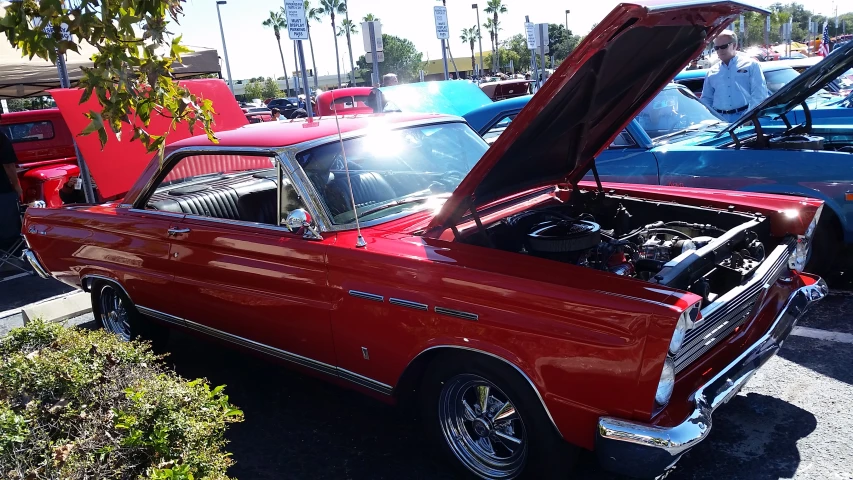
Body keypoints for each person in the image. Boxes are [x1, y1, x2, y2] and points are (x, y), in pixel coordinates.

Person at [699, 30, 768, 123]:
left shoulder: (752, 65)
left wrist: (749, 117)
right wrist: (711, 119)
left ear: (734, 45)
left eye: (723, 47)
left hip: (745, 117)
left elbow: (759, 95)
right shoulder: (711, 71)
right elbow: (706, 98)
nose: (720, 51)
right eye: (717, 48)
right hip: (720, 121)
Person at [1, 116, 23, 250]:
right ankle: (13, 259)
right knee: (8, 230)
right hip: (2, 191)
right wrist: (17, 186)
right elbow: (8, 165)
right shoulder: (1, 139)